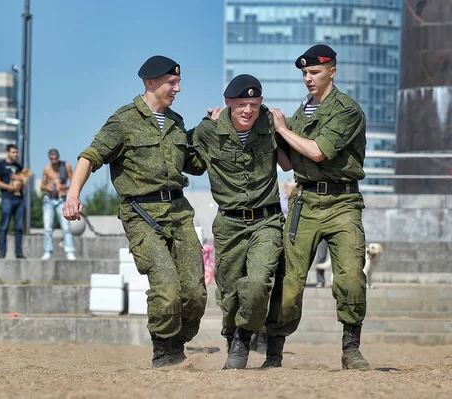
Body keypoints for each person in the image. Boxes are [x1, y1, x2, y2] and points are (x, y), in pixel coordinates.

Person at [63, 55, 208, 368]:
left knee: (195, 293)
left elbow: (193, 166)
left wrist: (209, 131)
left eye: (179, 82)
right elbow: (90, 157)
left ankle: (176, 342)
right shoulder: (123, 121)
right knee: (167, 286)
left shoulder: (176, 122)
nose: (177, 88)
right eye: (172, 82)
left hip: (179, 210)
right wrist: (72, 195)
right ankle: (164, 351)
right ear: (151, 82)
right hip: (143, 214)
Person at [264, 44, 370, 370]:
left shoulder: (347, 111)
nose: (308, 78)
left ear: (332, 72)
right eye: (305, 73)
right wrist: (269, 133)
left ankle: (351, 349)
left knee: (351, 275)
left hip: (342, 203)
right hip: (304, 202)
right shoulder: (299, 114)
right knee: (290, 282)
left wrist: (283, 129)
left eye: (315, 72)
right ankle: (273, 354)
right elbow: (286, 164)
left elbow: (318, 151)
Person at [191, 74, 291, 369]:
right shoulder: (207, 131)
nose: (248, 110)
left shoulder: (270, 123)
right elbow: (180, 156)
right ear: (228, 103)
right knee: (230, 292)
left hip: (267, 220)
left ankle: (243, 339)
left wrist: (283, 130)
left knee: (259, 283)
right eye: (242, 104)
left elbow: (287, 163)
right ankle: (233, 333)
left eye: (254, 103)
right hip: (229, 224)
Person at [41, 149, 76, 261]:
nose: (54, 161)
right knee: (47, 228)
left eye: (56, 158)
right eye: (52, 159)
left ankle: (69, 251)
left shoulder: (65, 166)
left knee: (66, 227)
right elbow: (42, 186)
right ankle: (47, 251)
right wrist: (48, 187)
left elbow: (73, 182)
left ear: (58, 157)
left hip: (61, 199)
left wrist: (64, 187)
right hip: (49, 200)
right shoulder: (47, 169)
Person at [0, 144, 26, 259]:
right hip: (7, 198)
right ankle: (2, 252)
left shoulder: (19, 166)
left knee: (18, 226)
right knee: (4, 226)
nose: (15, 154)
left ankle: (19, 252)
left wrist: (20, 181)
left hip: (19, 199)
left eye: (16, 152)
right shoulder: (1, 165)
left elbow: (24, 183)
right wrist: (9, 187)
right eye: (13, 152)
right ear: (7, 152)